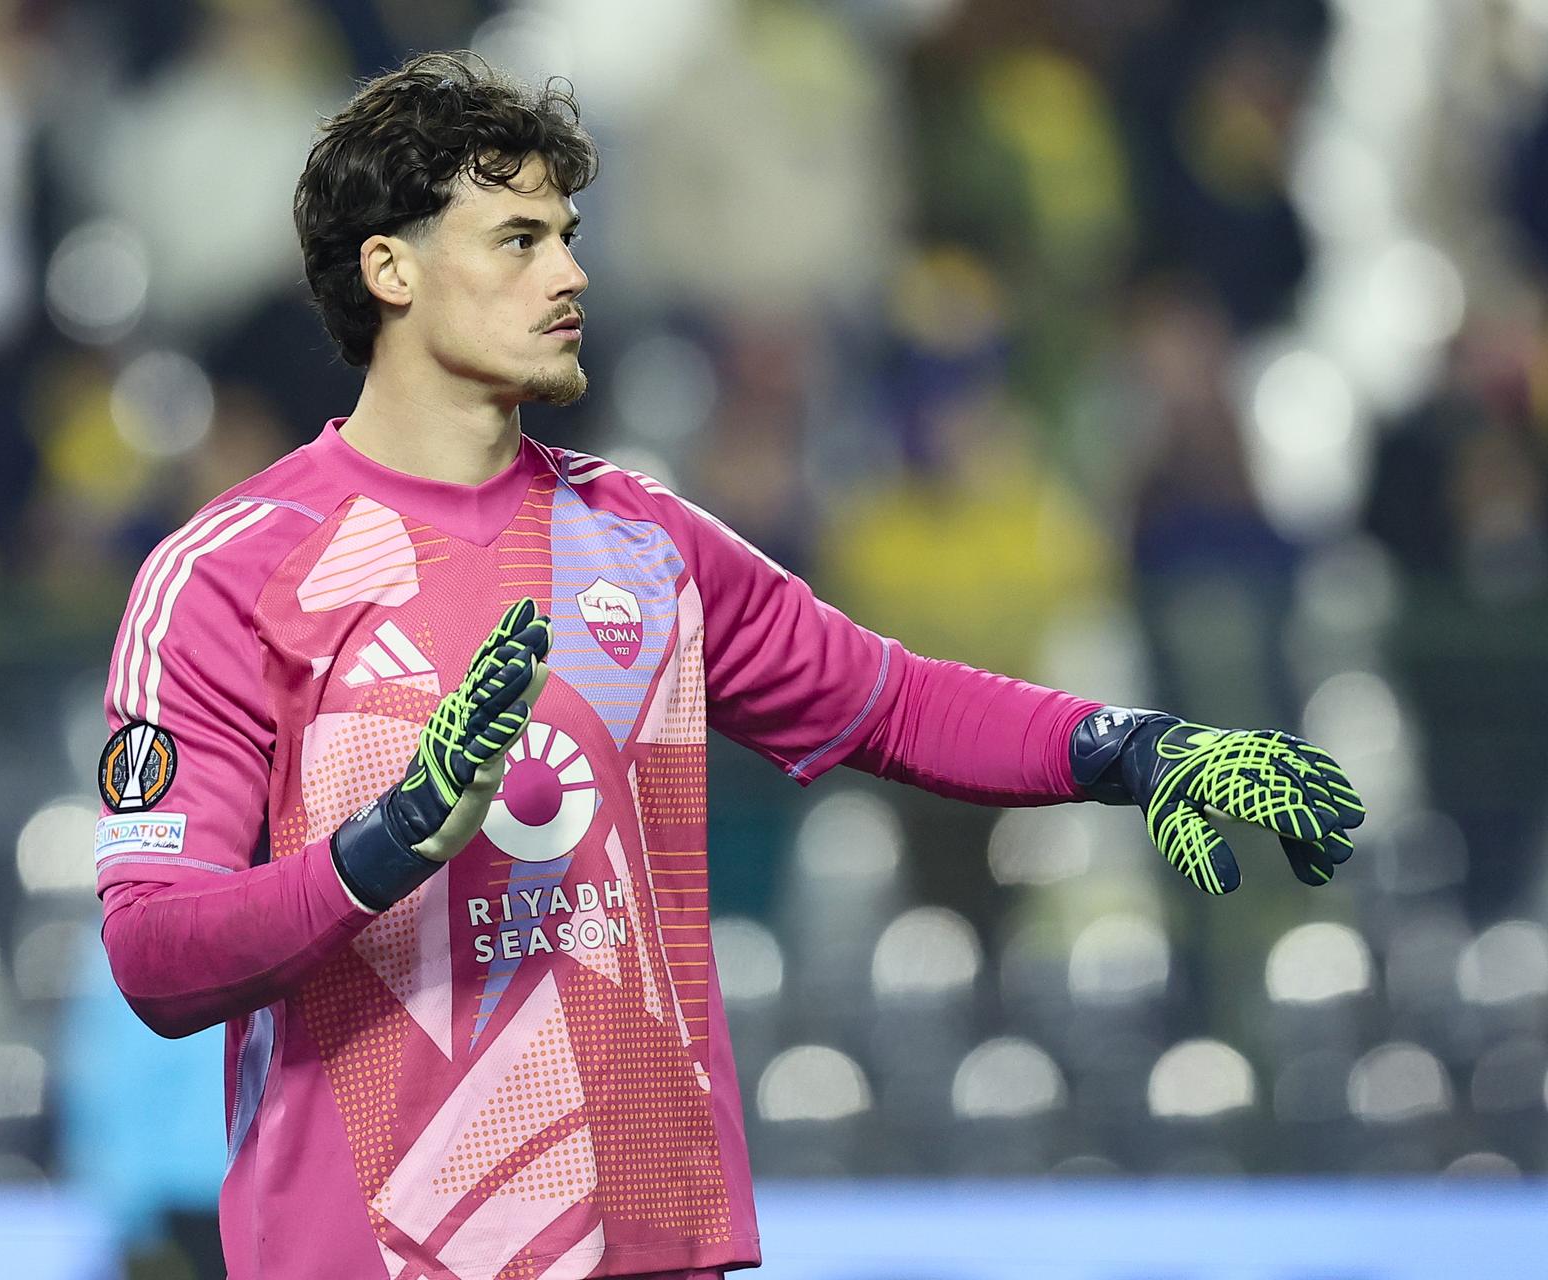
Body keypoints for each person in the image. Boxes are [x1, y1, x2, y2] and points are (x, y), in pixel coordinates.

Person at [92, 51, 1367, 1280]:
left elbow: (897, 701)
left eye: (570, 233)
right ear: (391, 269)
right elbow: (156, 953)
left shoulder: (645, 543)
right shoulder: (223, 578)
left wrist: (1133, 748)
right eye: (520, 240)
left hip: (651, 1244)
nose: (572, 272)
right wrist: (391, 841)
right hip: (367, 1252)